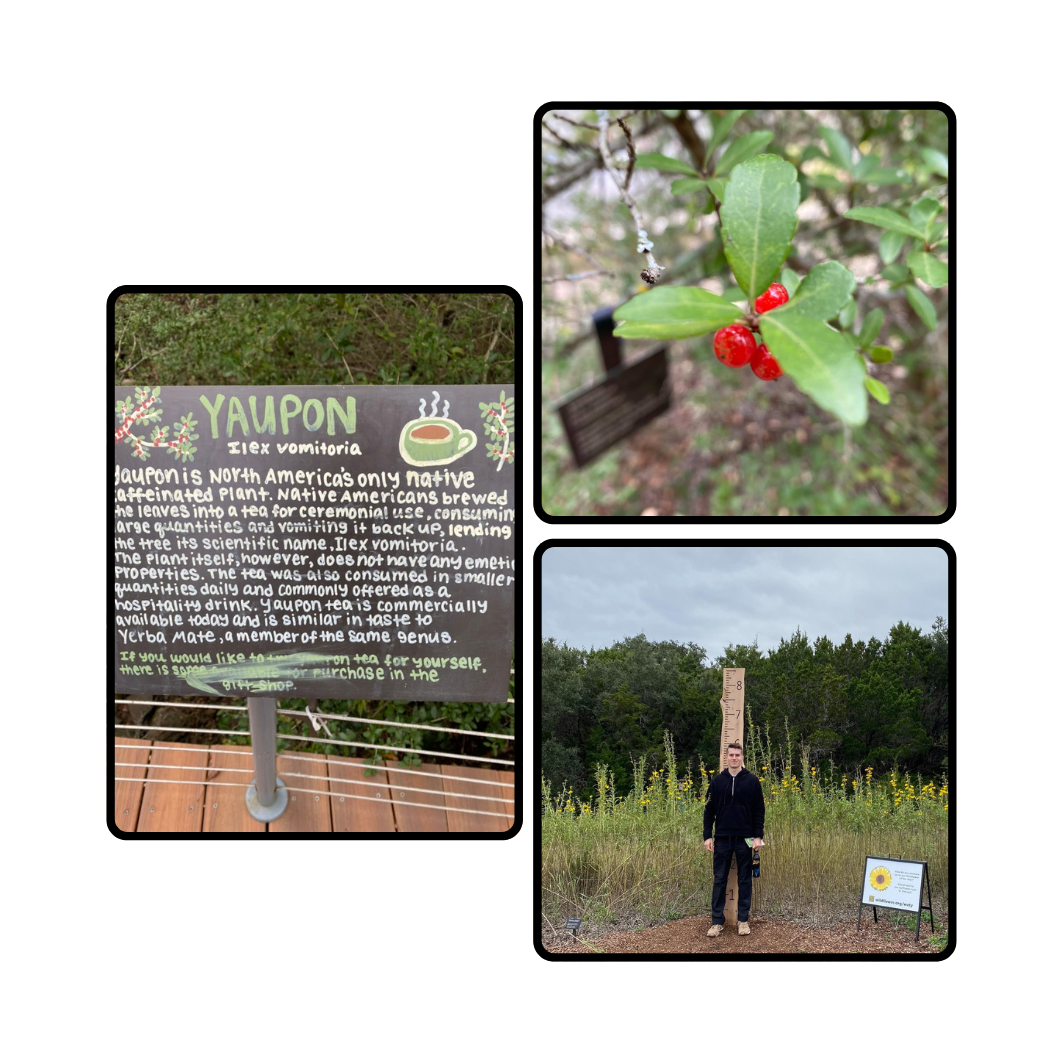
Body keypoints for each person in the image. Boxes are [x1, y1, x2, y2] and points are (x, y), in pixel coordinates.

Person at [703, 740, 765, 937]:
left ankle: (743, 921)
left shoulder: (752, 781)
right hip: (721, 838)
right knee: (720, 879)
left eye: (737, 755)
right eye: (731, 755)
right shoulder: (717, 782)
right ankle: (716, 922)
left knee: (745, 879)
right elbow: (708, 811)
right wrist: (707, 836)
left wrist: (757, 836)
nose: (734, 758)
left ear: (742, 758)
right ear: (726, 758)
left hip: (745, 838)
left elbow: (759, 811)